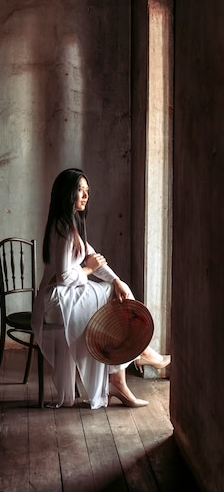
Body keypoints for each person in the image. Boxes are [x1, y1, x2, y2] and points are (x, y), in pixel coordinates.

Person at [31, 168, 170, 409]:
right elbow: (64, 277)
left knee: (113, 291)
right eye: (80, 190)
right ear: (67, 194)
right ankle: (137, 355)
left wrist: (118, 281)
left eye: (87, 191)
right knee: (108, 296)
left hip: (66, 295)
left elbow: (94, 258)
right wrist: (89, 270)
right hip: (55, 301)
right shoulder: (63, 228)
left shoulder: (70, 225)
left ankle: (127, 367)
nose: (85, 196)